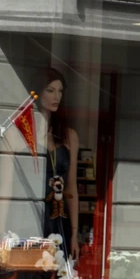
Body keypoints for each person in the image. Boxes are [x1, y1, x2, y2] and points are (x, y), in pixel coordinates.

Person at [39, 69, 80, 259]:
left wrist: (74, 233)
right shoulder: (28, 133)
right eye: (50, 90)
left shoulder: (69, 136)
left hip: (59, 216)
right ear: (38, 92)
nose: (57, 96)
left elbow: (71, 186)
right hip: (36, 212)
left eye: (60, 91)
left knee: (58, 276)